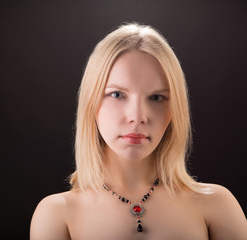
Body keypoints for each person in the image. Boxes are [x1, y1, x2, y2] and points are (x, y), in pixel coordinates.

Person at [30, 23, 247, 240]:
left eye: (156, 97)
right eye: (117, 94)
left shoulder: (217, 204)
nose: (137, 116)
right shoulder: (57, 214)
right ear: (91, 103)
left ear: (174, 110)